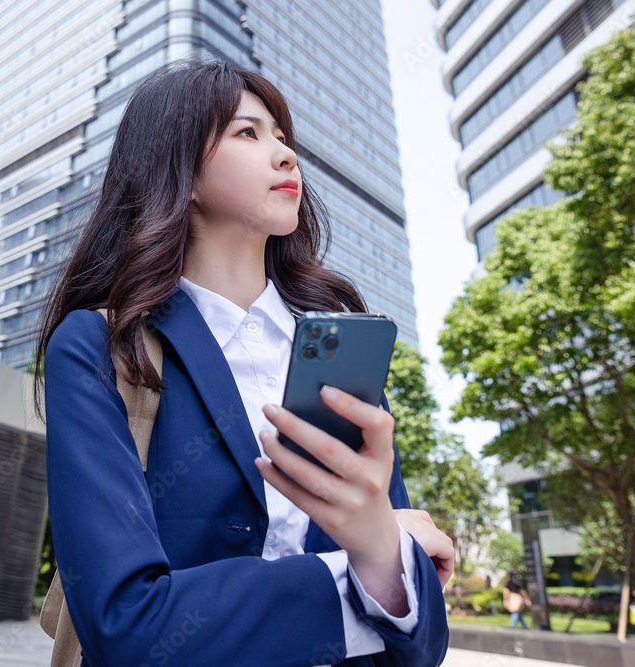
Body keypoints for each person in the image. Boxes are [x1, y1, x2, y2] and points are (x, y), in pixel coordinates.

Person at [33, 58, 454, 667]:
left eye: (283, 138)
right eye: (248, 133)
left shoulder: (339, 354)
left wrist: (386, 565)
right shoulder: (102, 346)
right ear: (181, 171)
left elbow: (420, 646)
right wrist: (373, 572)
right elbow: (124, 626)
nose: (286, 155)